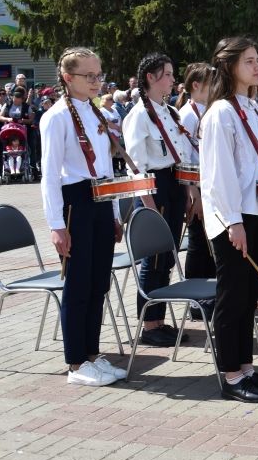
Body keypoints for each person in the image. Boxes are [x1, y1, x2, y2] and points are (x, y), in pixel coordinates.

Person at [200, 36, 258, 402]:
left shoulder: (250, 107)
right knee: (232, 296)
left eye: (257, 60)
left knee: (251, 295)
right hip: (234, 218)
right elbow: (219, 175)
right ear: (229, 66)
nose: (257, 67)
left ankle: (247, 367)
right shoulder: (220, 112)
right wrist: (233, 222)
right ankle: (231, 376)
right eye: (249, 61)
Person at [41, 47, 126, 386]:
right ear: (67, 78)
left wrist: (116, 212)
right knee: (78, 284)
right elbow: (49, 176)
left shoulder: (96, 112)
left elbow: (107, 167)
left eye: (99, 74)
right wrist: (56, 226)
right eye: (88, 76)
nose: (96, 81)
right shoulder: (57, 116)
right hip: (75, 201)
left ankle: (92, 353)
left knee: (98, 282)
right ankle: (76, 362)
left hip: (101, 198)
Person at [122, 53, 195, 347]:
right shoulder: (138, 115)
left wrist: (188, 190)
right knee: (152, 259)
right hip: (154, 188)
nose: (173, 79)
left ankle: (159, 320)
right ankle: (148, 325)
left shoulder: (166, 110)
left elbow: (180, 152)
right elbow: (136, 166)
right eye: (167, 74)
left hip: (173, 183)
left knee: (167, 256)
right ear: (151, 78)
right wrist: (149, 206)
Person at [177, 63, 216, 282]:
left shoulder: (207, 110)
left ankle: (211, 292)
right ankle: (197, 301)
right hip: (196, 185)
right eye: (212, 84)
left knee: (210, 241)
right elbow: (184, 157)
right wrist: (193, 192)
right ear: (196, 85)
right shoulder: (187, 115)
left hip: (208, 182)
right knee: (198, 243)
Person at [98, 93, 124, 174]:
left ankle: (122, 169)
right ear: (104, 101)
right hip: (110, 135)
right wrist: (118, 128)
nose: (111, 100)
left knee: (121, 152)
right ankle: (114, 169)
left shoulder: (114, 109)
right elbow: (108, 122)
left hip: (118, 134)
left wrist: (121, 128)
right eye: (109, 99)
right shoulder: (102, 111)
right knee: (112, 153)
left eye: (111, 99)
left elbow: (120, 119)